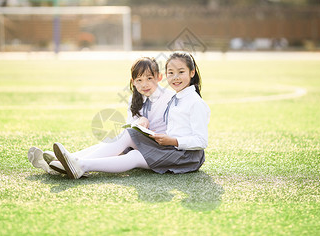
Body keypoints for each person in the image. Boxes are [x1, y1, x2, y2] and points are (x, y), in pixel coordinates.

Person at [53, 52, 210, 179]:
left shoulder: (191, 102)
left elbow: (201, 141)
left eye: (181, 72)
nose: (175, 77)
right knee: (128, 139)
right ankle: (68, 161)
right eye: (171, 73)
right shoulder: (178, 97)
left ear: (192, 72)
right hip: (170, 147)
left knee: (133, 151)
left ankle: (80, 164)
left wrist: (172, 140)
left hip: (186, 156)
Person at [27, 57, 175, 175]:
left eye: (149, 78)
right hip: (142, 145)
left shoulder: (169, 97)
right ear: (133, 82)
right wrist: (140, 121)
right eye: (139, 80)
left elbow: (175, 131)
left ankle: (72, 161)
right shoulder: (135, 99)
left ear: (159, 77)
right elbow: (132, 127)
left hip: (160, 147)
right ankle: (63, 162)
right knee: (114, 141)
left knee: (124, 137)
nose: (145, 84)